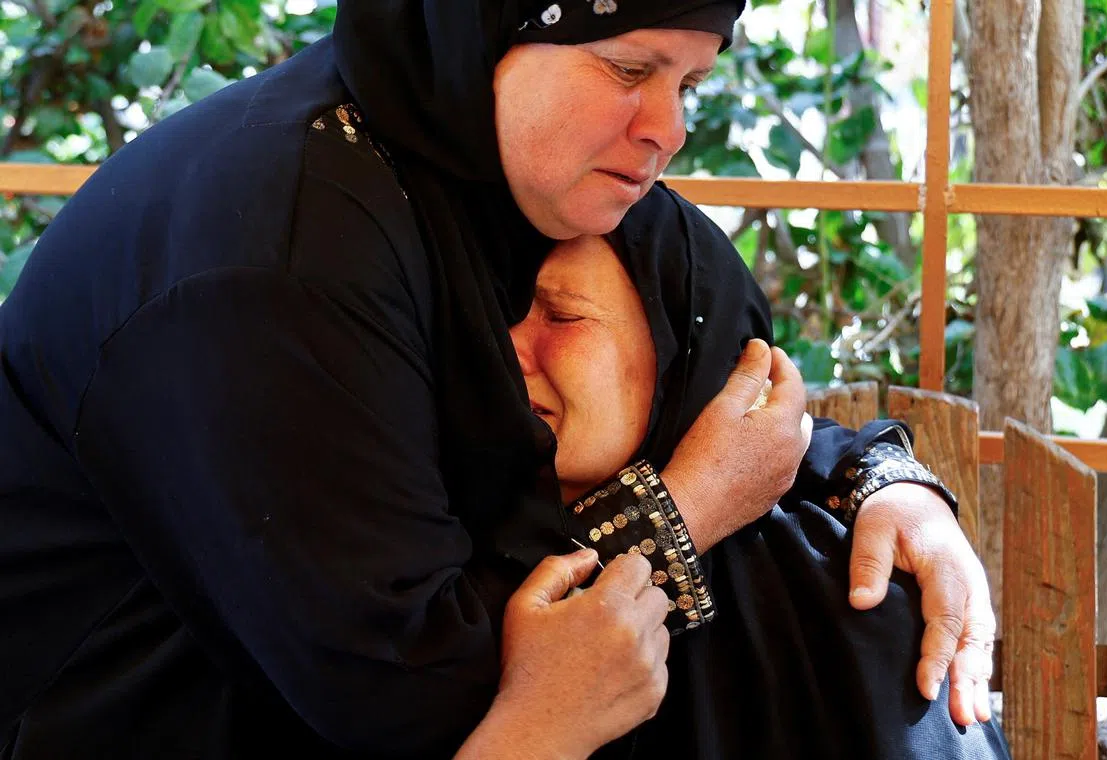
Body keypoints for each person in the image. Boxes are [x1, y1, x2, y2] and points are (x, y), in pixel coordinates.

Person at [0, 2, 992, 757]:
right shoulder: (284, 253)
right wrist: (683, 510)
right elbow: (429, 700)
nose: (670, 127)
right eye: (629, 67)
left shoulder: (482, 164)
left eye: (688, 83)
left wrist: (870, 473)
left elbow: (730, 403)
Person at [508, 185, 1010, 758]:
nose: (508, 346)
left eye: (562, 314)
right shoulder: (429, 527)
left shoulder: (837, 593)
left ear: (688, 355)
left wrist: (884, 476)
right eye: (502, 313)